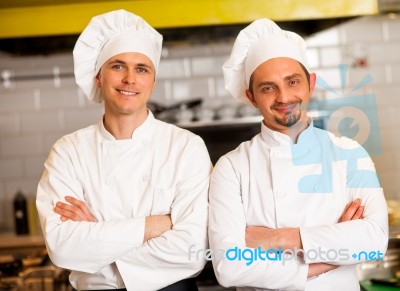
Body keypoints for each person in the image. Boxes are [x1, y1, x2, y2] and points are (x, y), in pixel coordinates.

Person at [36, 9, 212, 291]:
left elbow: (193, 249)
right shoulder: (68, 152)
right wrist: (156, 225)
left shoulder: (186, 147)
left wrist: (97, 240)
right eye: (117, 66)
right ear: (98, 77)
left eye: (142, 69)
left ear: (152, 82)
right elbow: (62, 247)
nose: (130, 78)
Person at [208, 18, 388, 291]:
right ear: (252, 96)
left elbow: (374, 242)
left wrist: (279, 238)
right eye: (268, 87)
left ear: (310, 84)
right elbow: (229, 268)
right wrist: (334, 252)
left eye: (292, 82)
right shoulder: (232, 167)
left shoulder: (350, 154)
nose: (283, 97)